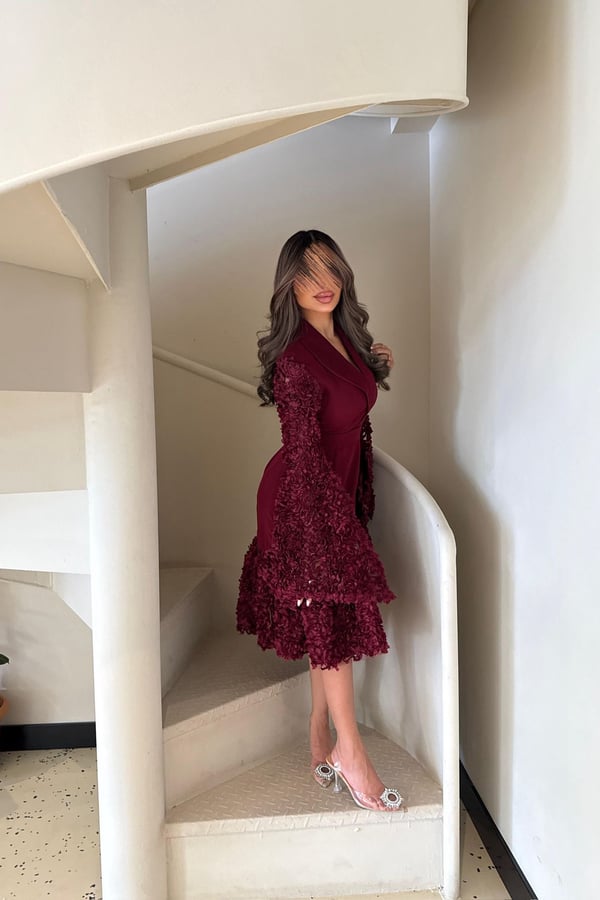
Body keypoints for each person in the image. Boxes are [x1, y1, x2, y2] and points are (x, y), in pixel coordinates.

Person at [236, 229, 404, 812]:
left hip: (336, 491)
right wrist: (330, 528)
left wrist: (373, 366)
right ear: (289, 285)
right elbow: (305, 454)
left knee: (323, 620)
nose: (321, 284)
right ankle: (350, 750)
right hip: (303, 500)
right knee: (328, 621)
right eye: (306, 274)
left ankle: (317, 727)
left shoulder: (348, 340)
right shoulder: (293, 360)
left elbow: (352, 403)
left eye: (329, 268)